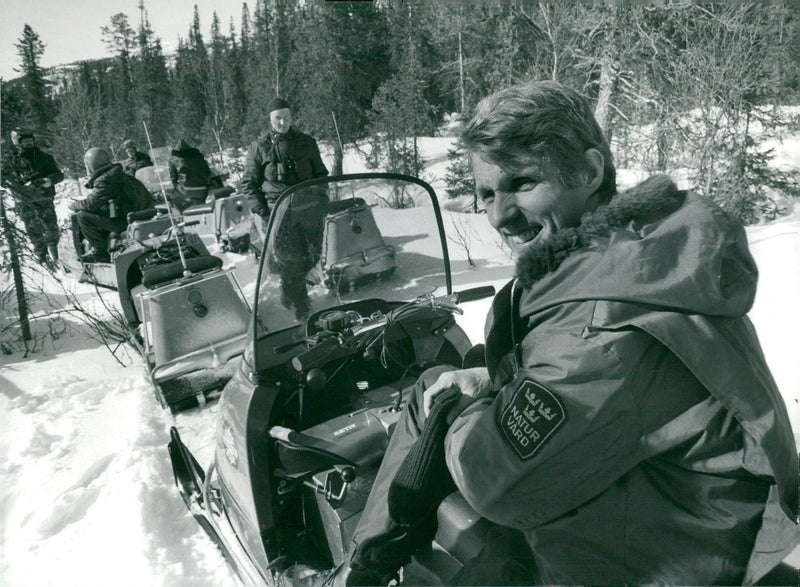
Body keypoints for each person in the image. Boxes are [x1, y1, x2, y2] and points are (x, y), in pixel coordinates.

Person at [343, 81, 798, 586]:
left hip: (650, 561)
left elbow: (494, 479)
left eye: (521, 183)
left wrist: (461, 410)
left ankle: (363, 569)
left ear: (589, 171)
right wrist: (487, 382)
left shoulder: (603, 328)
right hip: (637, 516)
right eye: (487, 193)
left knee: (438, 397)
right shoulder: (633, 260)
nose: (499, 215)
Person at [240, 97, 329, 320]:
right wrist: (265, 212)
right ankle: (301, 306)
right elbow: (248, 184)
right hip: (279, 214)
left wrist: (322, 199)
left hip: (309, 210)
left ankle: (291, 292)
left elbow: (320, 175)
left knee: (312, 256)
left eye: (286, 117)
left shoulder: (307, 142)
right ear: (270, 120)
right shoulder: (259, 148)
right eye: (278, 118)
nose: (283, 122)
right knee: (291, 260)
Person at [69, 147, 153, 262]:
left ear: (92, 165)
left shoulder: (105, 180)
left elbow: (91, 204)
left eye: (87, 165)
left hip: (124, 222)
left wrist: (74, 205)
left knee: (82, 216)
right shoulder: (118, 174)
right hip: (137, 216)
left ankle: (100, 252)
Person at [1, 128, 64, 267]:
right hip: (24, 201)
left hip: (44, 198)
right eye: (25, 142)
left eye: (31, 141)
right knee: (34, 231)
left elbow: (58, 175)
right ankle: (42, 259)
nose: (29, 144)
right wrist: (15, 185)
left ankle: (58, 257)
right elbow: (3, 178)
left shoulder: (44, 157)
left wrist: (48, 180)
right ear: (17, 143)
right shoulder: (10, 160)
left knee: (52, 229)